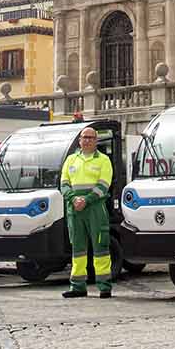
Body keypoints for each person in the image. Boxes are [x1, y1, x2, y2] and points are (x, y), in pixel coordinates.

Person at [60, 125, 114, 298]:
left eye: (91, 138)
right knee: (78, 248)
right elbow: (64, 183)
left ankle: (104, 287)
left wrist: (86, 200)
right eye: (85, 137)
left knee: (101, 247)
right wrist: (73, 199)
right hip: (74, 208)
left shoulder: (103, 160)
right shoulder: (71, 160)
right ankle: (77, 287)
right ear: (80, 140)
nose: (88, 140)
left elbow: (104, 185)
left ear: (96, 141)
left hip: (95, 207)